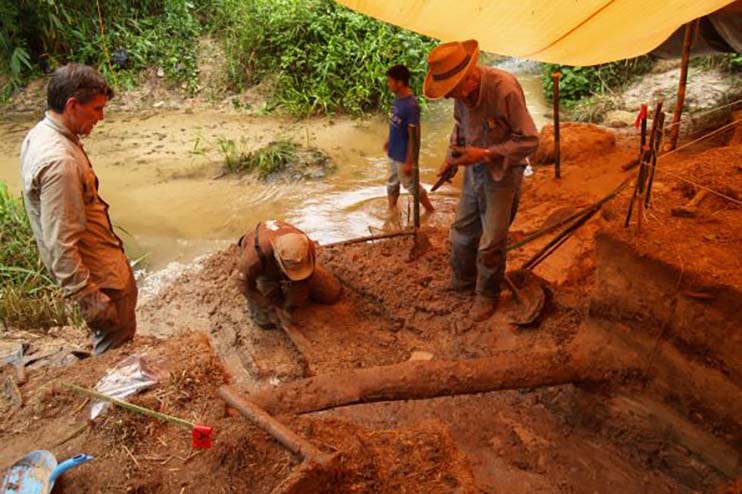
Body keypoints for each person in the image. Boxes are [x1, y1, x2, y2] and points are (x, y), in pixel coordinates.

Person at [20, 63, 137, 354]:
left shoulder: (40, 135)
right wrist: (88, 295)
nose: (101, 117)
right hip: (100, 279)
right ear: (72, 105)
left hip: (101, 269)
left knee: (113, 347)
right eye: (96, 109)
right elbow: (61, 241)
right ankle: (111, 398)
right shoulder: (61, 162)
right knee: (114, 355)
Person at [424, 40, 539, 322]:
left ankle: (487, 294)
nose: (450, 98)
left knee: (491, 241)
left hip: (502, 174)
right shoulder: (462, 98)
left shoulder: (504, 89)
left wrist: (487, 153)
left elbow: (530, 140)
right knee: (462, 231)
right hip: (475, 171)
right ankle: (462, 281)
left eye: (451, 92)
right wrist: (452, 158)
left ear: (467, 79)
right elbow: (460, 128)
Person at [235, 220, 342, 329]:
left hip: (297, 263)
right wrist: (267, 305)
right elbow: (243, 283)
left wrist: (291, 304)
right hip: (266, 269)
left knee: (332, 293)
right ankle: (267, 284)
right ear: (277, 259)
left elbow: (300, 284)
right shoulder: (255, 257)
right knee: (266, 320)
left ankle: (301, 273)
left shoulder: (306, 244)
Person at [384, 64, 435, 213]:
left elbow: (415, 135)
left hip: (403, 155)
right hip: (393, 151)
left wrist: (410, 161)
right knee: (392, 183)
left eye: (390, 81)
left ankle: (430, 210)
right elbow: (395, 124)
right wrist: (389, 141)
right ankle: (391, 211)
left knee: (410, 184)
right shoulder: (397, 99)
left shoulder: (411, 105)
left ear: (399, 83)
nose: (389, 84)